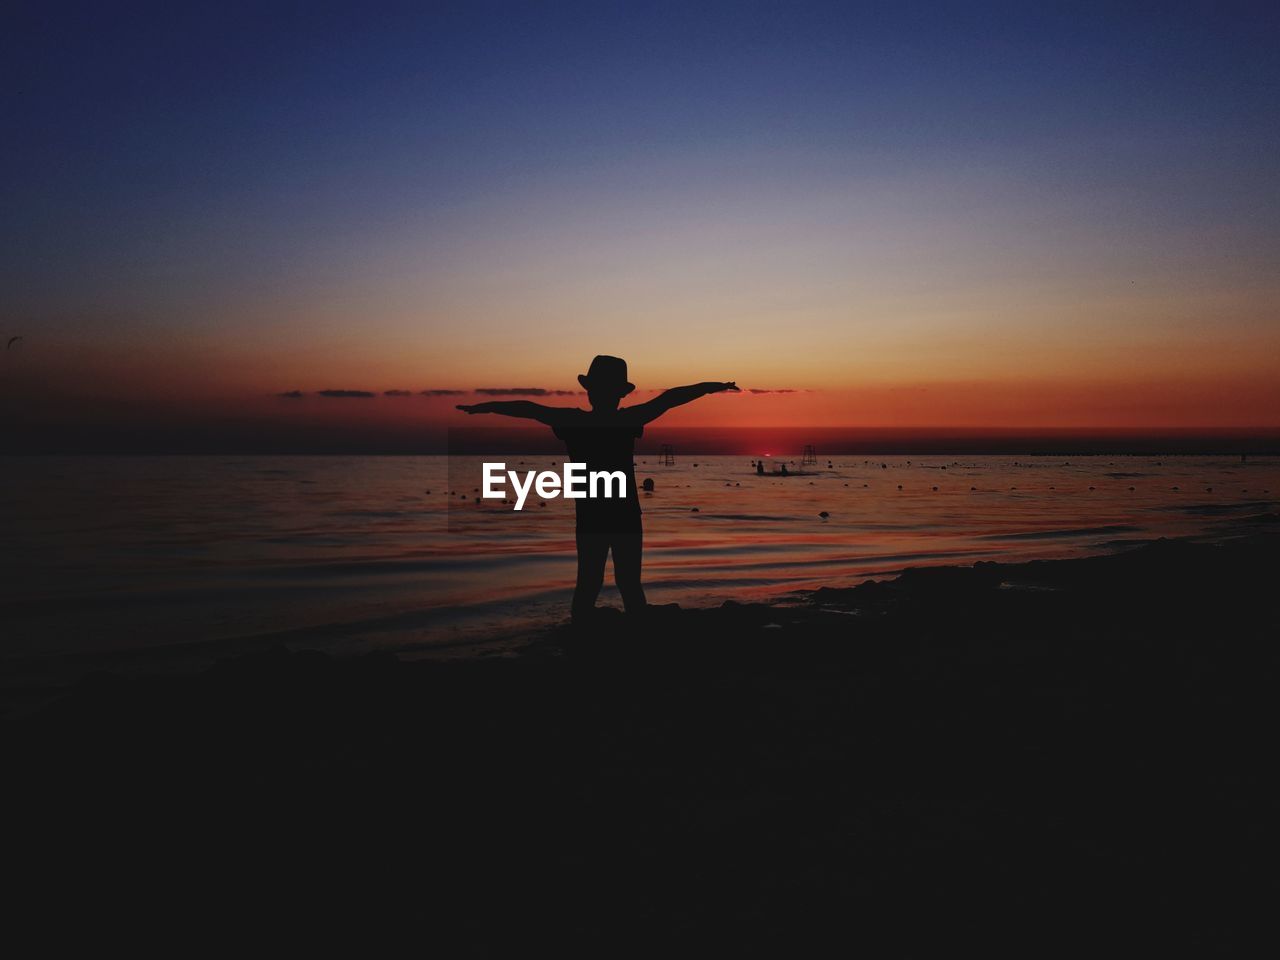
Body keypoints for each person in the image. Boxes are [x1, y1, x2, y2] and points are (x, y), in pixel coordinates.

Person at [458, 355, 737, 623]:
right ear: (620, 393)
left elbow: (529, 408)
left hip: (595, 514)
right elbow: (669, 398)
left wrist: (487, 406)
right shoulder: (623, 420)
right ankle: (627, 629)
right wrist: (713, 387)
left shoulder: (577, 421)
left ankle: (592, 633)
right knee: (625, 583)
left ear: (592, 391)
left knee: (592, 582)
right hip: (622, 513)